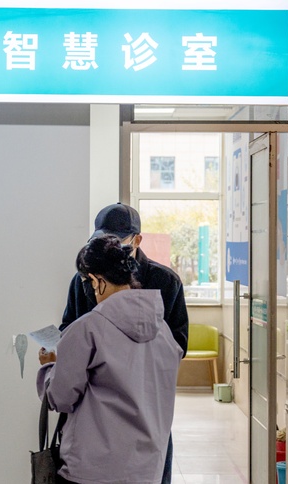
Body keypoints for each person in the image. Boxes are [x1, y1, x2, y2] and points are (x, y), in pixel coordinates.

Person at [60, 203, 189, 483]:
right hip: (97, 418)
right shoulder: (83, 280)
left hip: (147, 411)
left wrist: (126, 364)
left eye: (118, 241)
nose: (112, 247)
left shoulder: (165, 281)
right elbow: (68, 328)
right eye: (103, 239)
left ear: (137, 240)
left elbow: (177, 346)